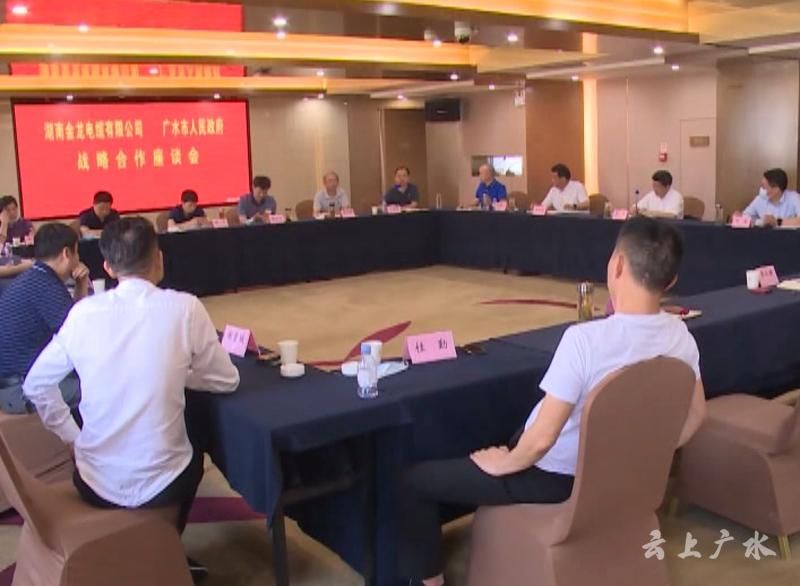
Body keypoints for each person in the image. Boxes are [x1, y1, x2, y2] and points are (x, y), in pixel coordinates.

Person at [397, 216, 706, 586]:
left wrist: (505, 464)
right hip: (616, 476)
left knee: (412, 482)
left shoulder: (584, 341)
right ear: (670, 281)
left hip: (554, 478)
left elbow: (543, 440)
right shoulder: (681, 337)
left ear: (617, 265)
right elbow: (696, 414)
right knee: (513, 434)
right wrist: (644, 455)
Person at [23, 217, 240, 580]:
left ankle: (149, 549)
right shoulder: (184, 308)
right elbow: (226, 380)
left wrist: (71, 437)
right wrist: (179, 372)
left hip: (94, 482)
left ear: (107, 267)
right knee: (194, 440)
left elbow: (35, 385)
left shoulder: (83, 313)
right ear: (159, 259)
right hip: (164, 486)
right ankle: (164, 547)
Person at [0, 223, 89, 414]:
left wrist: (81, 286)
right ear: (67, 253)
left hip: (14, 383)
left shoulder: (35, 278)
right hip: (20, 389)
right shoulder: (46, 286)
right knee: (102, 387)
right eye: (77, 253)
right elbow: (79, 336)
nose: (79, 260)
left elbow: (73, 324)